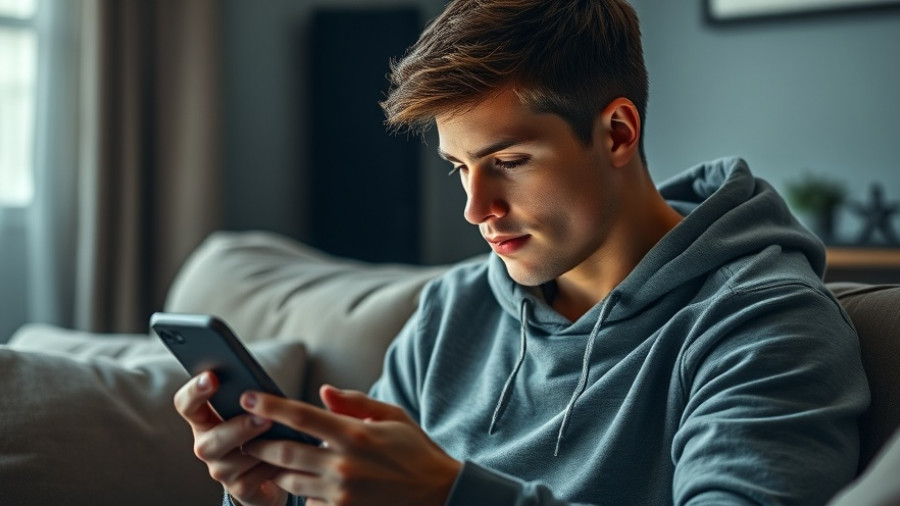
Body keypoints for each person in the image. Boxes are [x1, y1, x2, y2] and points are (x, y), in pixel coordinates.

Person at [174, 0, 870, 504]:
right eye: (459, 168)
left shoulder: (766, 323)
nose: (476, 210)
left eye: (508, 160)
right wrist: (273, 497)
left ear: (618, 133)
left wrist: (451, 497)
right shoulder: (454, 310)